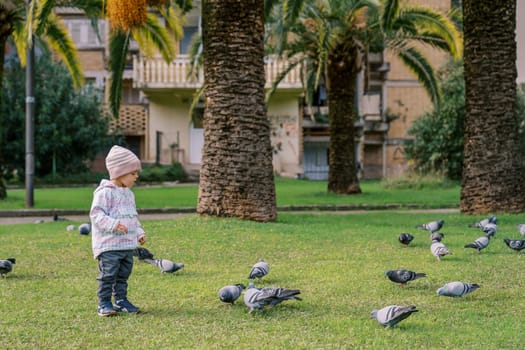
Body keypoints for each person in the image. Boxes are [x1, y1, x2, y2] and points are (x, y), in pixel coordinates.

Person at [90, 145, 146, 317]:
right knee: (108, 275)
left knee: (123, 275)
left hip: (126, 246)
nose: (136, 176)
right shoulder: (104, 193)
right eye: (133, 173)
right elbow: (96, 215)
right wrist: (113, 225)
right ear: (119, 172)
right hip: (109, 246)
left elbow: (132, 217)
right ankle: (104, 303)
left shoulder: (129, 194)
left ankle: (121, 300)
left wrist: (139, 232)